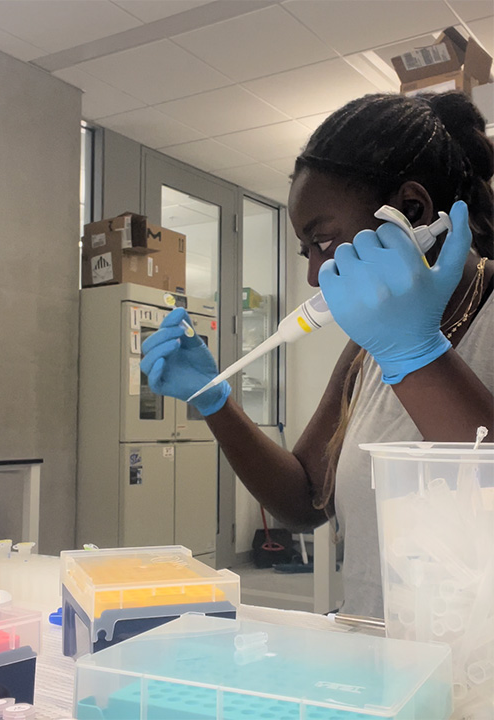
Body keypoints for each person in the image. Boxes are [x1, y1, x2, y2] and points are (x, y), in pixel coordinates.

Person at [139, 91, 494, 618]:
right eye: (305, 252)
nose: (313, 276)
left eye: (323, 242)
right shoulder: (367, 350)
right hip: (380, 655)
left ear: (412, 211)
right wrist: (214, 402)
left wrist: (418, 357)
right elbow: (307, 498)